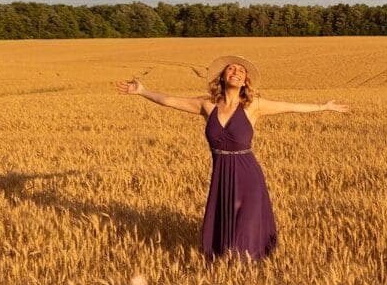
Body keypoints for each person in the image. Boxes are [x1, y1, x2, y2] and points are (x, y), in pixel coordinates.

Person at [115, 55, 349, 262]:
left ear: (245, 81)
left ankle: (245, 266)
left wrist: (323, 107)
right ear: (222, 77)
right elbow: (169, 100)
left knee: (244, 224)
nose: (236, 72)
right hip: (222, 173)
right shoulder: (206, 105)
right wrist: (142, 91)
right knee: (225, 220)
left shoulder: (253, 106)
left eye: (241, 70)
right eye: (231, 69)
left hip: (248, 174)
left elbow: (292, 107)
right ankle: (226, 265)